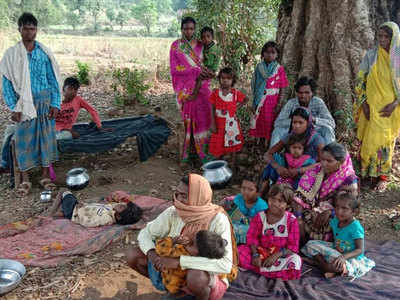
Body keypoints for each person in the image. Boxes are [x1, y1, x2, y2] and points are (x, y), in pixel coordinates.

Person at [126, 174, 238, 300]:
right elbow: (146, 233)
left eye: (184, 195)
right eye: (177, 193)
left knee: (196, 277)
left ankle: (197, 294)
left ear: (198, 196)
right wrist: (152, 254)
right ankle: (174, 287)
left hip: (200, 274)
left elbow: (225, 264)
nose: (178, 199)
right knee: (133, 255)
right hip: (172, 270)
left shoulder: (217, 219)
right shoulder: (174, 212)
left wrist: (179, 262)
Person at [0, 13, 61, 196]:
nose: (29, 32)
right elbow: (6, 82)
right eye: (25, 28)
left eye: (32, 28)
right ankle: (25, 179)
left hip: (45, 101)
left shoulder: (43, 53)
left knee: (46, 139)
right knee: (22, 141)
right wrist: (14, 107)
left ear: (36, 30)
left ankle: (44, 176)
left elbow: (53, 79)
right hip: (24, 104)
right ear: (19, 29)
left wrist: (55, 103)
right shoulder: (11, 55)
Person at [354, 22, 400, 191]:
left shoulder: (398, 59)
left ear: (393, 38)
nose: (382, 40)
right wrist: (364, 103)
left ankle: (383, 176)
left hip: (391, 109)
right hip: (372, 107)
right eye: (379, 36)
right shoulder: (371, 55)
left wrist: (395, 104)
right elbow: (360, 79)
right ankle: (367, 174)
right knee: (369, 141)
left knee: (386, 142)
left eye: (386, 37)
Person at [292, 142, 358, 244]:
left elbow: (349, 206)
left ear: (340, 162)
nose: (324, 163)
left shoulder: (348, 179)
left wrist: (330, 212)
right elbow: (300, 195)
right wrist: (299, 218)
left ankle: (312, 247)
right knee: (290, 215)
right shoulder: (316, 171)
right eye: (322, 159)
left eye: (329, 161)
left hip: (334, 214)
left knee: (327, 225)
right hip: (310, 209)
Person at [170, 17, 213, 165]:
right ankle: (187, 153)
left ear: (194, 30)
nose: (188, 31)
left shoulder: (201, 45)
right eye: (186, 28)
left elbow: (210, 63)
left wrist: (206, 73)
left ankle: (203, 153)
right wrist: (194, 71)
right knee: (188, 122)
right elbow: (175, 69)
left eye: (191, 28)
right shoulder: (175, 46)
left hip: (202, 87)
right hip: (186, 89)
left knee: (204, 118)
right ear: (181, 29)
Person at [302, 192, 375, 279]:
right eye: (337, 207)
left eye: (344, 208)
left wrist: (343, 257)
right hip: (335, 250)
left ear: (354, 212)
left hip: (350, 258)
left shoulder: (355, 227)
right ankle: (326, 267)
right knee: (310, 244)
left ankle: (320, 264)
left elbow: (359, 250)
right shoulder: (335, 220)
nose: (339, 211)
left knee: (338, 265)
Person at [238, 184, 302, 280]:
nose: (275, 203)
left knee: (295, 260)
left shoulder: (291, 221)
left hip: (280, 255)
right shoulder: (259, 217)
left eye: (280, 201)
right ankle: (269, 271)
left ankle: (258, 270)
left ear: (288, 205)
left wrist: (276, 256)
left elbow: (292, 247)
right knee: (239, 251)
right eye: (272, 199)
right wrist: (255, 255)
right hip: (260, 252)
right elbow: (252, 238)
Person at [155, 230, 227, 295]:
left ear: (199, 254)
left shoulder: (180, 253)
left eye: (192, 243)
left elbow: (160, 249)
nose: (188, 241)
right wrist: (173, 241)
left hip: (175, 287)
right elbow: (159, 250)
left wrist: (172, 241)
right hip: (171, 284)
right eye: (191, 238)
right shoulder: (180, 250)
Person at [270, 76, 335, 147]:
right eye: (300, 92)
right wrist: (296, 122)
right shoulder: (291, 103)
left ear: (312, 93)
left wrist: (313, 120)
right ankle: (273, 156)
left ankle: (330, 155)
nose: (303, 95)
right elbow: (278, 123)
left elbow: (331, 123)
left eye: (307, 92)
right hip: (295, 132)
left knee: (327, 130)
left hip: (313, 132)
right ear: (297, 93)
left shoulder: (318, 102)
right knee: (277, 131)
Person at [249, 41, 289, 147]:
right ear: (263, 53)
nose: (270, 54)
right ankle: (258, 139)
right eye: (267, 52)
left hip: (272, 100)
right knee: (258, 119)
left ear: (277, 55)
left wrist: (280, 103)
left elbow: (283, 87)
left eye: (273, 52)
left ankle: (267, 141)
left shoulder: (279, 69)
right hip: (259, 98)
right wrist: (253, 100)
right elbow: (255, 83)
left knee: (269, 121)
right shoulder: (259, 67)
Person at [44, 189, 143, 227]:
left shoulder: (105, 218)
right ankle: (60, 212)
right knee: (64, 209)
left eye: (121, 206)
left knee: (63, 191)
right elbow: (106, 204)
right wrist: (85, 205)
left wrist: (79, 210)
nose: (120, 204)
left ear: (119, 217)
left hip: (75, 212)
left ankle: (50, 213)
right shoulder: (112, 210)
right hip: (79, 208)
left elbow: (88, 222)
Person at [209, 67, 248, 163]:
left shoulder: (235, 93)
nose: (225, 80)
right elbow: (211, 108)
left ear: (233, 80)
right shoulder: (215, 93)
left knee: (232, 146)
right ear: (219, 79)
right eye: (223, 78)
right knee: (218, 145)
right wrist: (212, 124)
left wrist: (236, 108)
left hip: (231, 124)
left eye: (228, 78)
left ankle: (232, 168)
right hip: (219, 124)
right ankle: (217, 166)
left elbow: (246, 99)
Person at [223, 177, 268, 244]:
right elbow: (233, 211)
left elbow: (261, 226)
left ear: (258, 192)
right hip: (237, 225)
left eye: (250, 189)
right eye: (243, 188)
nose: (245, 192)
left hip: (252, 231)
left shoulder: (262, 206)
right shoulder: (239, 198)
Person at [189, 26, 221, 101]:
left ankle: (194, 94)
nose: (205, 39)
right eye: (203, 37)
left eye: (208, 36)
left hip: (211, 69)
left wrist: (201, 63)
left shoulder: (212, 50)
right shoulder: (209, 46)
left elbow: (209, 63)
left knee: (199, 77)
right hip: (209, 68)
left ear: (212, 37)